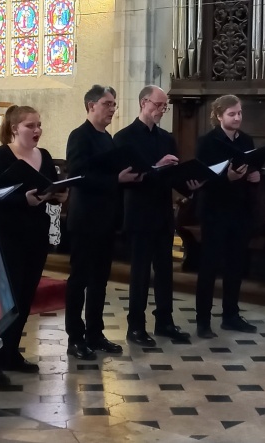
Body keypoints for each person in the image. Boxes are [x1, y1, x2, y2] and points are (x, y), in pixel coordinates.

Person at [0, 105, 68, 387]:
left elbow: (50, 186)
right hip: (8, 236)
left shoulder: (43, 156)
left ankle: (10, 353)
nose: (37, 130)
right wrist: (22, 200)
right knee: (7, 299)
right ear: (15, 128)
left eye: (39, 125)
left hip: (36, 234)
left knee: (26, 296)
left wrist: (58, 195)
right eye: (30, 125)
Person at [114, 85, 196, 347]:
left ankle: (165, 322)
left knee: (164, 271)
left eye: (165, 106)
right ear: (143, 103)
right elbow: (125, 178)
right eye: (159, 105)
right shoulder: (124, 137)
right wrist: (155, 169)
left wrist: (190, 185)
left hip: (162, 212)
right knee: (140, 273)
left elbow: (172, 176)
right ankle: (135, 327)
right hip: (138, 212)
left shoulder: (166, 138)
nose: (162, 110)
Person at [65, 85, 140, 359]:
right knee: (79, 280)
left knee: (99, 281)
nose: (112, 109)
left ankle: (95, 334)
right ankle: (75, 337)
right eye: (108, 103)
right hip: (85, 220)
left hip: (106, 219)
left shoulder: (108, 139)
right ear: (91, 105)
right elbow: (78, 176)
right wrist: (115, 180)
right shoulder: (79, 136)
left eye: (114, 104)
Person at [193, 95, 260, 338]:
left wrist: (255, 175)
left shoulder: (247, 140)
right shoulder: (207, 142)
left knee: (235, 266)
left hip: (240, 211)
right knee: (209, 267)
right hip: (214, 211)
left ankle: (230, 316)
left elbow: (252, 166)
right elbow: (201, 178)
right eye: (232, 114)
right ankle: (203, 321)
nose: (237, 117)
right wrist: (226, 178)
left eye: (240, 113)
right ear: (219, 116)